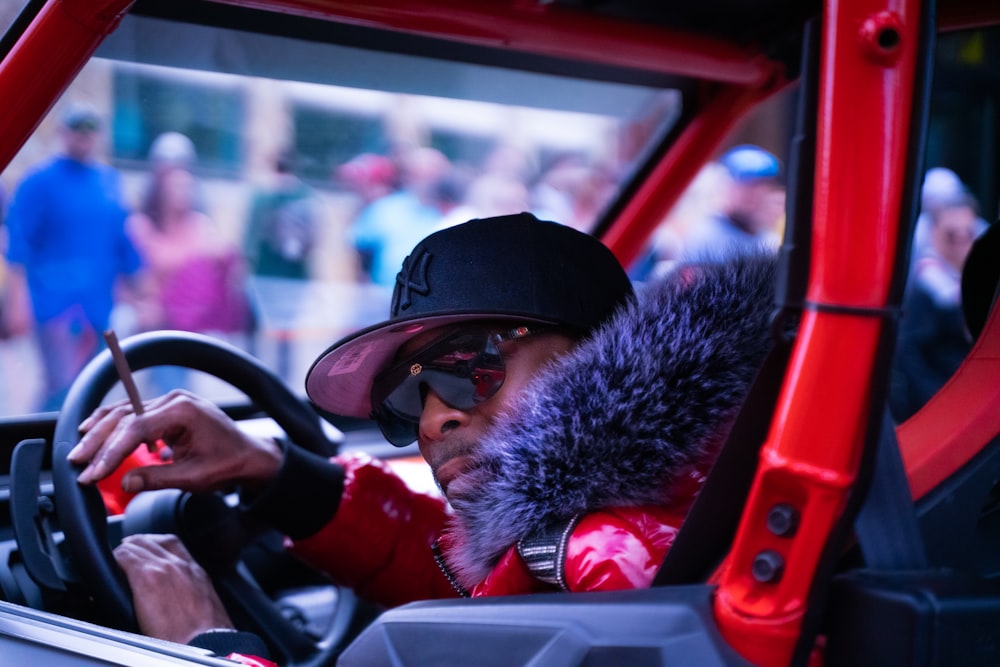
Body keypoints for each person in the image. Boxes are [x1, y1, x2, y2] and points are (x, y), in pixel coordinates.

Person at [69, 213, 779, 664]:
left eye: (472, 367)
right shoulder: (587, 532)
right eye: (408, 394)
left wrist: (209, 646)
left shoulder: (611, 556)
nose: (435, 418)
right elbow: (467, 585)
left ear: (602, 354)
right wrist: (270, 471)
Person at [2, 104, 147, 410]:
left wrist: (142, 290)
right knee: (61, 387)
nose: (84, 137)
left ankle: (75, 448)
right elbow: (18, 242)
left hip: (97, 305)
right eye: (77, 129)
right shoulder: (38, 181)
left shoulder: (108, 181)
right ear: (62, 133)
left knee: (89, 386)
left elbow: (122, 239)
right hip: (55, 306)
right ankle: (37, 445)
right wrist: (17, 301)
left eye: (90, 130)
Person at [127, 163, 251, 392]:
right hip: (154, 324)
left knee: (178, 389)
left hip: (188, 326)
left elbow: (228, 262)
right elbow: (129, 277)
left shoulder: (199, 225)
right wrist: (140, 303)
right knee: (168, 389)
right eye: (176, 187)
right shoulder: (142, 227)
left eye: (187, 187)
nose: (183, 193)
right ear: (160, 191)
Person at [890, 195, 980, 422]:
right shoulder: (927, 284)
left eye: (968, 233)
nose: (962, 241)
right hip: (941, 407)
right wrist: (935, 400)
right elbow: (908, 351)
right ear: (934, 234)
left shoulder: (973, 279)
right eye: (952, 234)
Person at [682, 144, 785, 260]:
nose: (757, 195)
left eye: (763, 185)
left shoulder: (766, 238)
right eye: (748, 185)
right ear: (724, 186)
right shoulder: (707, 237)